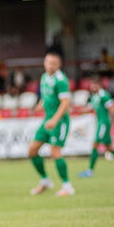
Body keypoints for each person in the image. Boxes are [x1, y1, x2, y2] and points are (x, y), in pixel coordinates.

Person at [28, 52, 75, 196]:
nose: (50, 66)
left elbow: (65, 103)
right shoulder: (44, 77)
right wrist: (40, 105)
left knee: (55, 152)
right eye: (48, 62)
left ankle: (67, 186)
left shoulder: (61, 80)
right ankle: (45, 180)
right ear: (44, 63)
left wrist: (55, 120)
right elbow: (47, 96)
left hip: (59, 121)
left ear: (59, 65)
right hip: (47, 120)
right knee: (32, 150)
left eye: (53, 63)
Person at [78, 75, 114, 178]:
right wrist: (76, 110)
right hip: (100, 123)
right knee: (109, 148)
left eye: (95, 84)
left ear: (99, 85)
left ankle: (90, 171)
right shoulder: (94, 96)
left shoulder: (104, 95)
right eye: (91, 85)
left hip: (104, 124)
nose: (92, 87)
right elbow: (89, 108)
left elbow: (112, 110)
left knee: (95, 144)